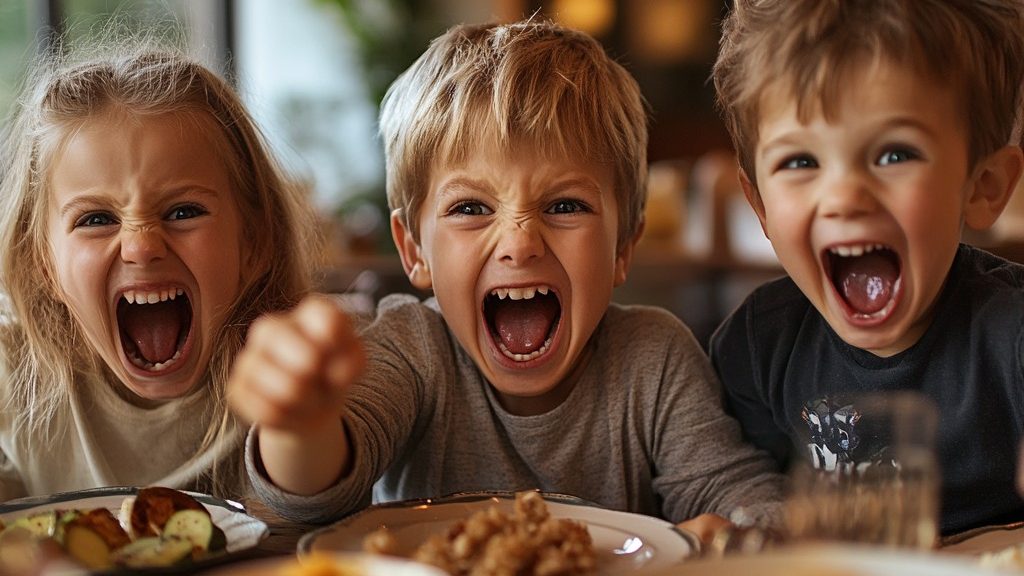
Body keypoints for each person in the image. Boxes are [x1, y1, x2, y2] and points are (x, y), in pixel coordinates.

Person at [228, 18, 785, 539]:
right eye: (470, 209)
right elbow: (315, 493)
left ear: (623, 247)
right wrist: (300, 423)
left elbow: (741, 497)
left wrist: (733, 531)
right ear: (413, 249)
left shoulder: (653, 359)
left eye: (566, 205)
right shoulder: (410, 347)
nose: (520, 243)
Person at [709, 0, 1024, 536]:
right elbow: (739, 492)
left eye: (895, 154)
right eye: (801, 162)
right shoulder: (756, 348)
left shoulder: (1012, 336)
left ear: (984, 187)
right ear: (760, 204)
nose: (845, 198)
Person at [0, 37, 321, 502]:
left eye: (184, 211)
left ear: (254, 242)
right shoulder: (12, 378)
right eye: (96, 219)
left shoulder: (293, 370)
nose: (141, 245)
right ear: (43, 264)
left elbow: (315, 501)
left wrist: (303, 410)